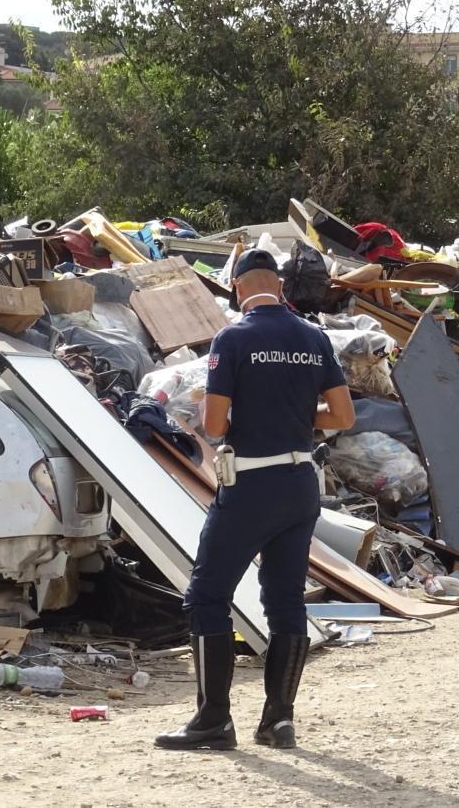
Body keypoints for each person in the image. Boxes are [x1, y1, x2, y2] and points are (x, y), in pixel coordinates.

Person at [155, 249, 355, 752]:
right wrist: (296, 417)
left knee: (207, 596)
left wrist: (223, 407)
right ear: (280, 287)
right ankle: (278, 721)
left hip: (250, 484)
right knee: (285, 600)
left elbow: (214, 425)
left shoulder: (233, 338)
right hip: (300, 484)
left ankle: (212, 721)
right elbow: (343, 416)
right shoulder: (314, 337)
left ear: (238, 288)